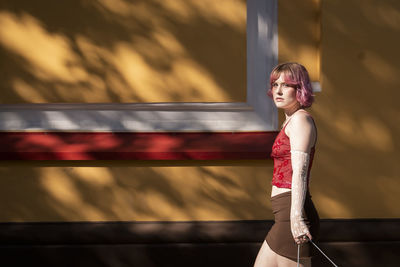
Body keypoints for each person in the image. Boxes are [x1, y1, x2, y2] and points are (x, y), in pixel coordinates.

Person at [254, 62, 320, 267]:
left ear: (300, 89)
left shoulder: (301, 121)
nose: (278, 90)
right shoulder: (290, 121)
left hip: (292, 213)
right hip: (283, 213)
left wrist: (296, 218)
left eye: (287, 85)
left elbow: (299, 173)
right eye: (275, 85)